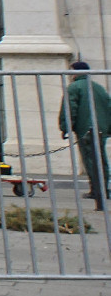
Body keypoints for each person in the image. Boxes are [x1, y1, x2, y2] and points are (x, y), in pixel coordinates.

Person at [59, 59, 111, 209]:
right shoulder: (98, 87)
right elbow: (108, 107)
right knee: (101, 159)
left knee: (90, 160)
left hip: (85, 129)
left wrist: (65, 127)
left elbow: (70, 108)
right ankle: (103, 188)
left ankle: (96, 191)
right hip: (100, 129)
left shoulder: (74, 88)